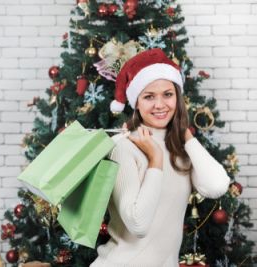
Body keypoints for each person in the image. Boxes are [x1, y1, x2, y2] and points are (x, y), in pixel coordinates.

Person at [90, 48, 230, 267]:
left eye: (167, 94)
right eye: (148, 97)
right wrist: (155, 160)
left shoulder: (180, 147)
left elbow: (217, 186)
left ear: (177, 97)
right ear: (136, 102)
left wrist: (186, 135)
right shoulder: (125, 147)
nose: (160, 105)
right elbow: (138, 224)